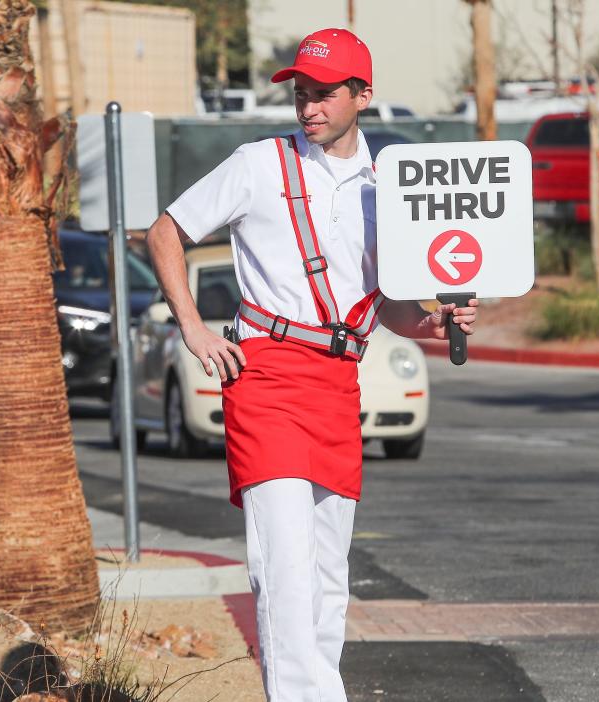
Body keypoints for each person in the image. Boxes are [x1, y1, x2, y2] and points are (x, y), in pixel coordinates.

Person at [146, 29, 479, 701]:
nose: (307, 109)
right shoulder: (255, 164)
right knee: (287, 572)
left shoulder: (384, 187)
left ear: (362, 94)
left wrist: (433, 324)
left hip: (337, 381)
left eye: (323, 95)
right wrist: (191, 326)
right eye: (300, 95)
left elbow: (385, 303)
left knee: (328, 575)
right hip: (265, 375)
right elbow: (164, 232)